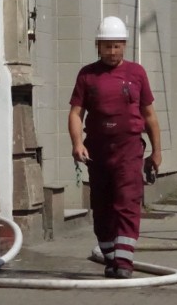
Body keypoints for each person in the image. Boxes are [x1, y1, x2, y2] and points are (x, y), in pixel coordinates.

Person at [67, 16, 163, 279]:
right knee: (102, 204)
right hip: (97, 150)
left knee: (127, 202)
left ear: (125, 45)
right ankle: (110, 256)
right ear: (98, 46)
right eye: (107, 46)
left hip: (129, 149)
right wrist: (77, 144)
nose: (112, 52)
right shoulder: (87, 75)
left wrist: (156, 151)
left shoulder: (136, 73)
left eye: (117, 46)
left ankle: (124, 261)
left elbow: (150, 116)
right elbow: (76, 114)